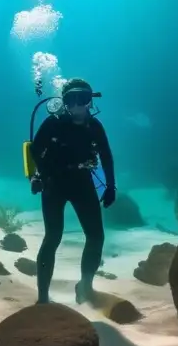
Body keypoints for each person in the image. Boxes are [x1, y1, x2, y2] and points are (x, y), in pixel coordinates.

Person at [30, 78, 116, 305]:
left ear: (90, 101)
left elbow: (106, 156)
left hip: (81, 182)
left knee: (96, 236)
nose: (77, 106)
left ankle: (85, 285)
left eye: (83, 99)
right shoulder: (53, 123)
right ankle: (42, 299)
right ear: (64, 102)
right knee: (53, 237)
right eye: (71, 100)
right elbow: (35, 150)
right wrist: (37, 176)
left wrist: (110, 186)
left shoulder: (95, 128)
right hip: (54, 184)